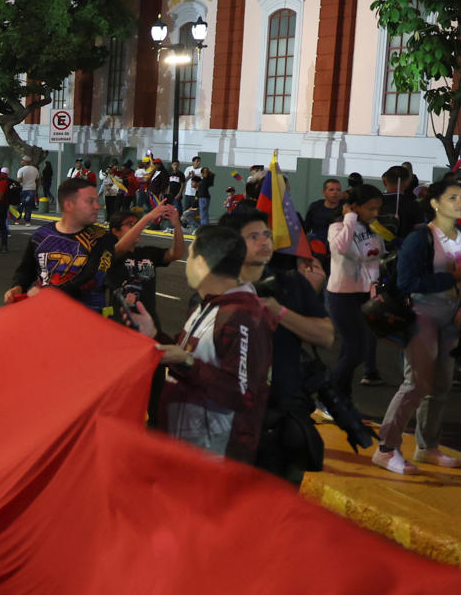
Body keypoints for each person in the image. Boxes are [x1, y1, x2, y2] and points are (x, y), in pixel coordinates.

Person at [371, 177, 461, 476]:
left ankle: (427, 446)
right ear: (435, 204)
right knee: (416, 384)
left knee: (441, 385)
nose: (460, 203)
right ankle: (385, 448)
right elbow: (407, 282)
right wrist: (453, 279)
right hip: (423, 314)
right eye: (453, 198)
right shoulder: (421, 238)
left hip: (453, 316)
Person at [220, 207, 336, 483]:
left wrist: (280, 312)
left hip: (283, 418)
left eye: (266, 235)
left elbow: (326, 336)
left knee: (280, 507)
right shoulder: (216, 288)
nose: (264, 242)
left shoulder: (291, 284)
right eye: (253, 236)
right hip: (234, 422)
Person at [156, 225, 271, 464]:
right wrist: (154, 335)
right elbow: (188, 356)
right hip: (186, 448)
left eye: (190, 255)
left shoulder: (242, 316)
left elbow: (242, 394)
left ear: (203, 263)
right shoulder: (210, 305)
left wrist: (186, 363)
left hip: (212, 459)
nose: (186, 262)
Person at [7, 177, 150, 314]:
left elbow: (92, 278)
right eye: (90, 201)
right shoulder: (40, 235)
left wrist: (47, 294)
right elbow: (26, 270)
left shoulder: (103, 239)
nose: (97, 206)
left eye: (96, 200)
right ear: (69, 205)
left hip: (87, 322)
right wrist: (18, 287)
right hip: (45, 317)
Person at [325, 184, 386, 398]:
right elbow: (341, 248)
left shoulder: (372, 229)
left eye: (378, 208)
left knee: (351, 349)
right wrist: (349, 218)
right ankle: (328, 393)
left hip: (364, 294)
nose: (375, 213)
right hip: (342, 296)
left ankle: (342, 397)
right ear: (355, 207)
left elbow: (377, 258)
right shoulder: (337, 227)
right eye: (371, 209)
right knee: (355, 351)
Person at [111, 203, 187, 336]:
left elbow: (177, 254)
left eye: (137, 223)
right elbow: (119, 249)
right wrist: (147, 218)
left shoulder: (148, 253)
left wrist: (176, 224)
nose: (136, 227)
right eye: (130, 224)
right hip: (121, 324)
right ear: (115, 231)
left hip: (150, 323)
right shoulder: (110, 254)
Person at [302, 179, 343, 251]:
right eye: (331, 190)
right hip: (317, 247)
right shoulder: (315, 207)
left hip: (339, 249)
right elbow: (305, 229)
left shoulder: (346, 208)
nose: (335, 192)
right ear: (323, 192)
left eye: (338, 190)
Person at [15, 157, 41, 224]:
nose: (21, 161)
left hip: (23, 189)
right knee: (29, 206)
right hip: (32, 189)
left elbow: (19, 180)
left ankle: (17, 219)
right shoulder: (35, 169)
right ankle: (27, 221)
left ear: (25, 161)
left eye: (22, 160)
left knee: (21, 204)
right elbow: (37, 179)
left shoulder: (21, 170)